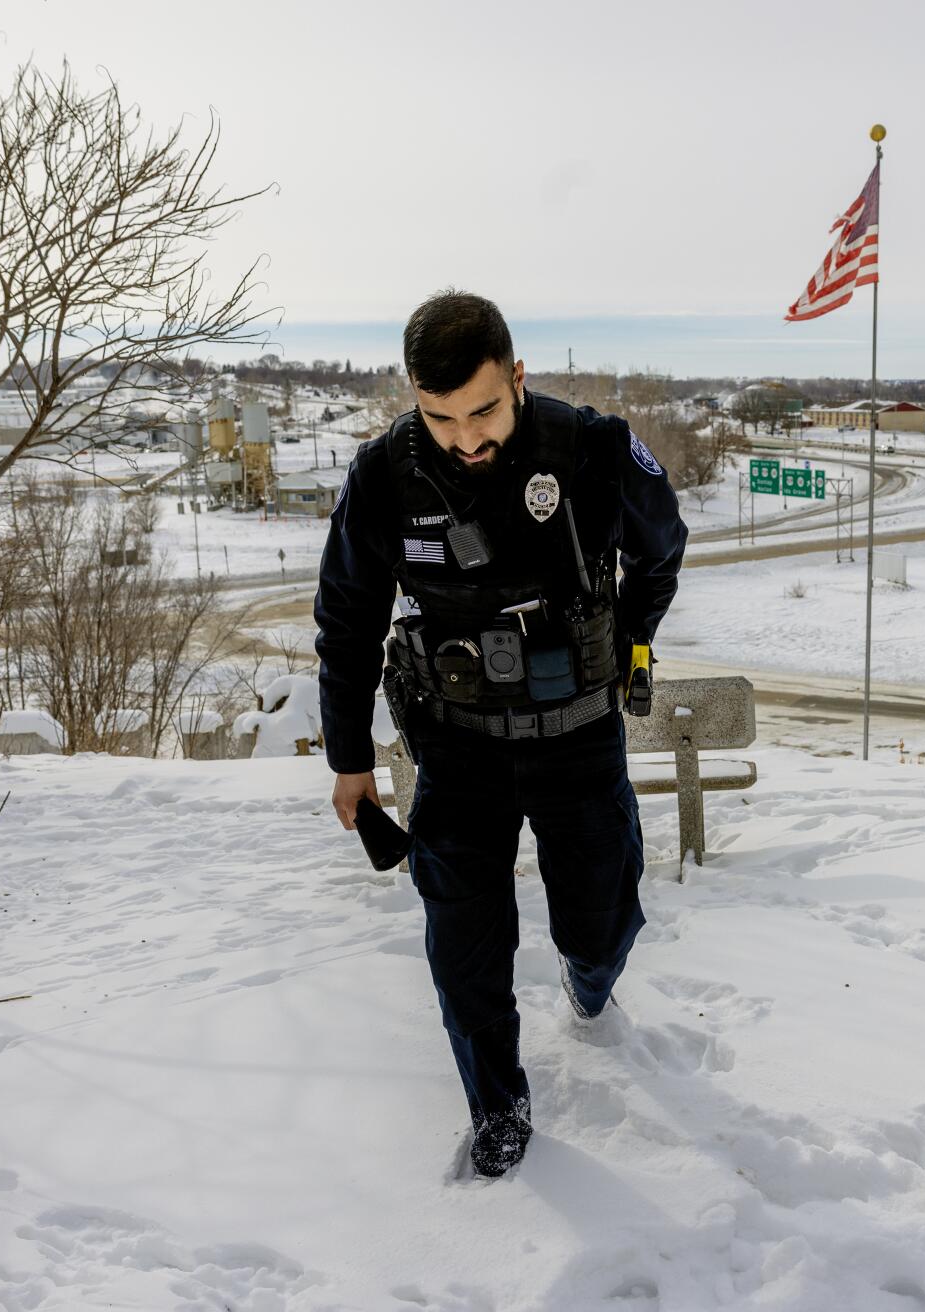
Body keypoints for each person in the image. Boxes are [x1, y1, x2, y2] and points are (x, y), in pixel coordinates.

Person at [314, 290, 688, 1178]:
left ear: (517, 377)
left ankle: (588, 983)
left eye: (484, 409)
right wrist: (350, 759)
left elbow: (662, 545)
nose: (467, 438)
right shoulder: (382, 479)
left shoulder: (590, 449)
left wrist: (630, 640)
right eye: (440, 417)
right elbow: (346, 617)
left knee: (601, 922)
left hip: (578, 734)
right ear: (415, 398)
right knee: (465, 950)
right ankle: (497, 1108)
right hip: (457, 747)